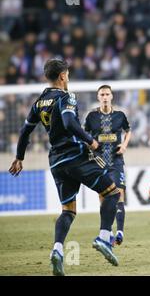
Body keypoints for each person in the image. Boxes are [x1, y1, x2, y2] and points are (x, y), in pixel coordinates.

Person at [8, 59, 120, 276]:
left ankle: (57, 250)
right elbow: (69, 123)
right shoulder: (66, 97)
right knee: (112, 192)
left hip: (56, 162)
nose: (68, 77)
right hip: (76, 155)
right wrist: (91, 141)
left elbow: (24, 132)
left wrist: (19, 157)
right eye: (67, 74)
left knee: (68, 211)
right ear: (62, 76)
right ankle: (104, 238)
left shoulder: (38, 102)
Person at [85, 85, 131, 246]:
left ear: (112, 96)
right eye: (102, 94)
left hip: (116, 161)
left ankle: (120, 231)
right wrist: (90, 146)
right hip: (98, 162)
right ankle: (108, 232)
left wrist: (124, 145)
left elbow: (128, 130)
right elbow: (85, 135)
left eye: (107, 94)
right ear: (98, 97)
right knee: (103, 197)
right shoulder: (91, 116)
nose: (105, 97)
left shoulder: (120, 115)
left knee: (119, 194)